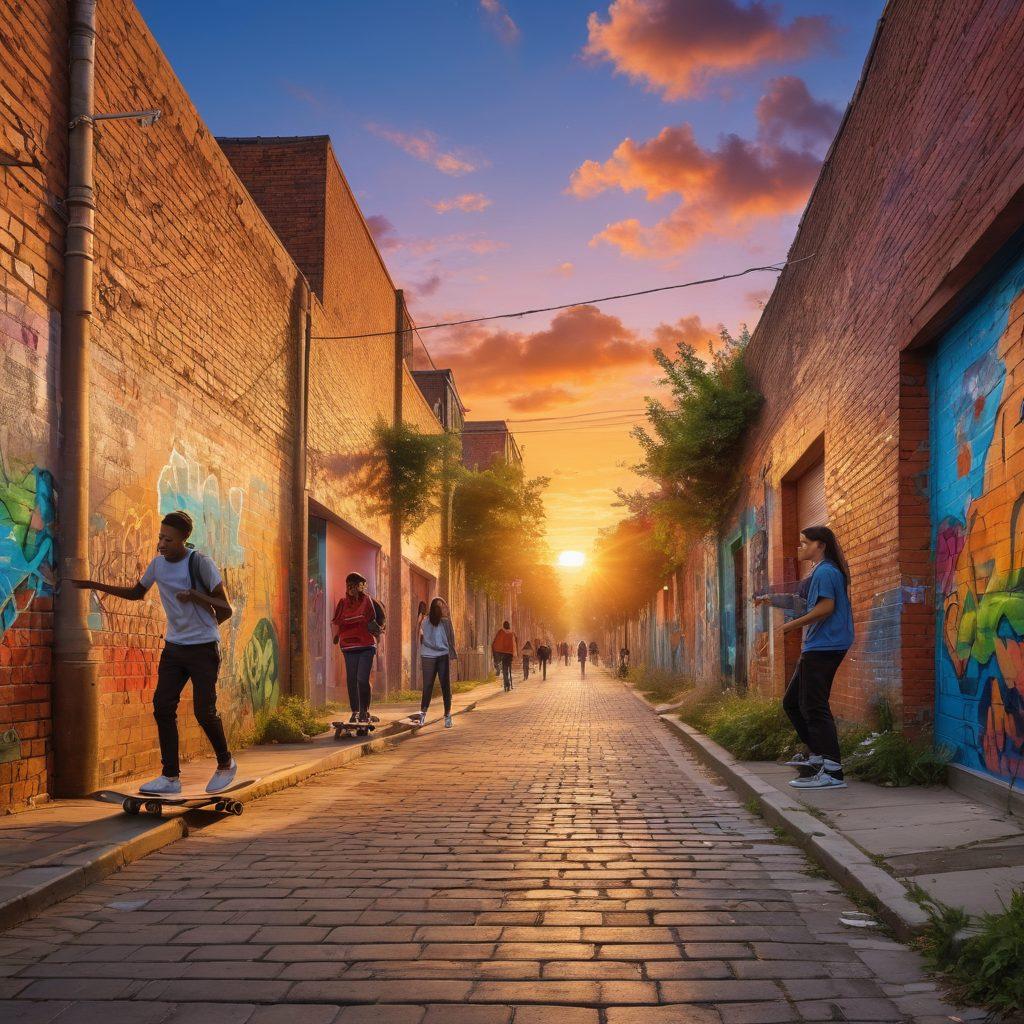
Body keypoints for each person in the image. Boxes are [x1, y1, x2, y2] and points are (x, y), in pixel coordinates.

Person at [73, 510, 236, 795]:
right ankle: (170, 777)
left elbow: (225, 609)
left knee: (204, 711)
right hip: (174, 647)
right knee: (162, 707)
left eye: (168, 540)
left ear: (184, 539)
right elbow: (137, 593)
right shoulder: (158, 565)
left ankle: (226, 763)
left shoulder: (201, 564)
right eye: (160, 537)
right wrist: (94, 585)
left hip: (203, 648)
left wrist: (194, 595)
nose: (161, 544)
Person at [757, 525, 854, 791]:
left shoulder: (825, 571)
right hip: (819, 645)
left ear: (819, 545)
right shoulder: (821, 572)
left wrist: (790, 626)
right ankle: (818, 757)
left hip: (825, 645)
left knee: (814, 706)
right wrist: (771, 601)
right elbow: (806, 604)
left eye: (804, 543)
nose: (800, 548)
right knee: (792, 702)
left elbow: (826, 607)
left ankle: (832, 771)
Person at [332, 572, 384, 726]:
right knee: (351, 680)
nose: (351, 589)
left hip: (366, 646)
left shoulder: (367, 600)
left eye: (355, 585)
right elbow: (337, 621)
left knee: (362, 679)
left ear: (360, 587)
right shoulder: (342, 603)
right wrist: (336, 636)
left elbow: (375, 619)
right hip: (348, 647)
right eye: (349, 586)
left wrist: (378, 632)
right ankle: (355, 711)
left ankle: (364, 711)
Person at [417, 597, 457, 728]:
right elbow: (421, 636)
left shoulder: (445, 622)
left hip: (442, 655)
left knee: (445, 686)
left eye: (444, 605)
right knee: (427, 686)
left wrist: (451, 654)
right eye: (440, 606)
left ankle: (447, 715)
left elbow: (451, 639)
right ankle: (422, 714)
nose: (443, 608)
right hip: (428, 656)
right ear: (434, 608)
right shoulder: (426, 621)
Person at [491, 620, 518, 691]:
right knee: (508, 669)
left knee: (505, 670)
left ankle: (507, 684)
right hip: (509, 655)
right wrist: (514, 654)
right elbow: (514, 644)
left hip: (503, 654)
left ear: (503, 626)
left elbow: (496, 642)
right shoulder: (512, 633)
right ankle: (508, 684)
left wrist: (495, 650)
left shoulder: (501, 632)